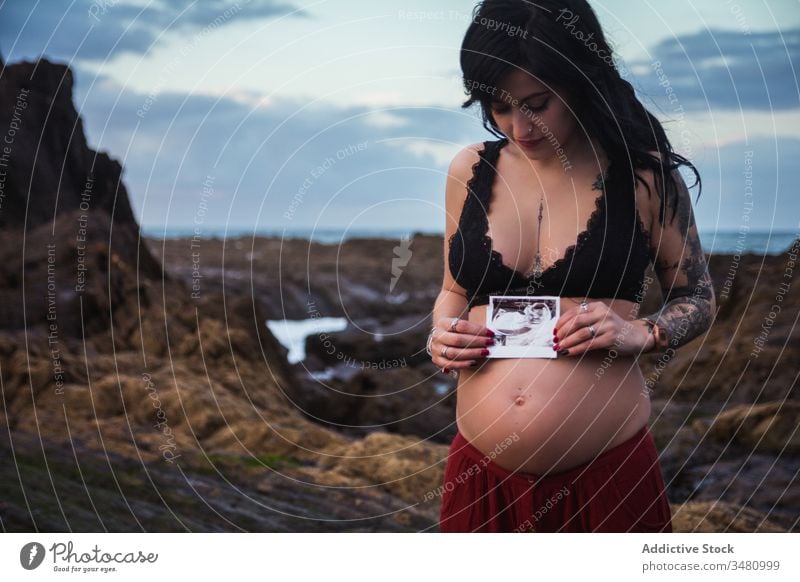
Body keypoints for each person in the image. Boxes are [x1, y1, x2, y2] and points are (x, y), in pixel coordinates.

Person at [428, 0, 715, 532]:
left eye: (538, 103)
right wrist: (440, 332)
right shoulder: (470, 170)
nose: (519, 127)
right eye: (498, 106)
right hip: (481, 474)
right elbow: (454, 289)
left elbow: (698, 298)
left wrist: (641, 333)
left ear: (579, 81)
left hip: (607, 476)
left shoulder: (643, 180)